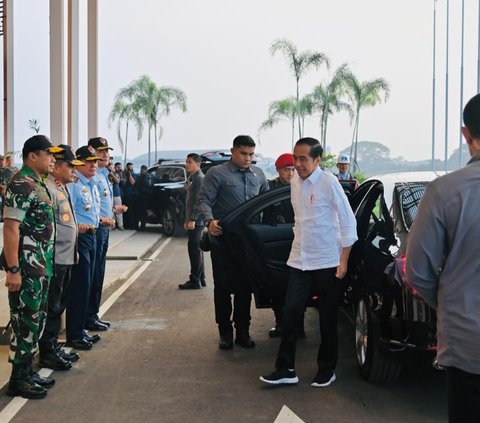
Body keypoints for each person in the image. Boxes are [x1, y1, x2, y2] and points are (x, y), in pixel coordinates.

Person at [406, 93, 480, 423]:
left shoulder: (446, 191)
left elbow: (418, 271)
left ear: (467, 135)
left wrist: (452, 304)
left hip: (469, 345)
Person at [260, 137, 357, 388]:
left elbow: (348, 222)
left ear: (317, 160)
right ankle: (285, 369)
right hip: (300, 259)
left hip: (328, 261)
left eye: (303, 159)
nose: (298, 164)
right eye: (295, 158)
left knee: (327, 319)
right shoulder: (295, 182)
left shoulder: (329, 183)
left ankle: (327, 369)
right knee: (290, 314)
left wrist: (343, 261)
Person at [3, 135, 62, 399]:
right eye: (48, 154)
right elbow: (11, 228)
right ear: (32, 156)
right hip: (26, 269)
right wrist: (13, 270)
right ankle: (18, 378)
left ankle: (27, 371)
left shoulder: (39, 183)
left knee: (34, 322)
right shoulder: (21, 184)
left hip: (41, 266)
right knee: (23, 322)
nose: (52, 159)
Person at [198, 135, 269, 350]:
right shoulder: (216, 173)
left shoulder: (259, 174)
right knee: (222, 288)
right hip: (223, 241)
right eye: (243, 153)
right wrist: (209, 221)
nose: (248, 158)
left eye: (251, 154)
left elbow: (267, 201)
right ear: (233, 151)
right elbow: (204, 200)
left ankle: (243, 332)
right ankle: (225, 333)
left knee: (245, 288)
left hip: (248, 243)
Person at [38, 145, 85, 371]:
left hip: (66, 257)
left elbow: (68, 223)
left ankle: (54, 346)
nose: (74, 171)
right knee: (52, 306)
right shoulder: (48, 188)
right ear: (56, 166)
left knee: (59, 305)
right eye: (70, 166)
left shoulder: (61, 187)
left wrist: (74, 248)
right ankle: (47, 352)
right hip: (54, 258)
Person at [86, 137, 127, 332]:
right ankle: (87, 316)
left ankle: (93, 314)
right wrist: (103, 218)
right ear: (91, 150)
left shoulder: (103, 175)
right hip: (95, 229)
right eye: (101, 151)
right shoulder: (90, 175)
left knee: (99, 273)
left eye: (107, 152)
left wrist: (113, 209)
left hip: (104, 228)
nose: (105, 155)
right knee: (92, 275)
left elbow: (100, 203)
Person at [65, 145, 102, 350]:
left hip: (92, 236)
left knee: (87, 285)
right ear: (78, 163)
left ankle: (81, 330)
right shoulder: (74, 185)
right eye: (89, 162)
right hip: (80, 238)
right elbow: (68, 215)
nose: (93, 165)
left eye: (95, 161)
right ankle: (75, 333)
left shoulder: (89, 184)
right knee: (79, 287)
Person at [264, 153, 296, 338]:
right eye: (287, 170)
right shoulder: (269, 188)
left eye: (293, 169)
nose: (291, 173)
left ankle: (296, 325)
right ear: (278, 170)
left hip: (298, 241)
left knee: (298, 286)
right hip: (275, 239)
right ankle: (280, 322)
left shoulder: (302, 186)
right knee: (277, 285)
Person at [178, 153, 206, 290]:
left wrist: (193, 219)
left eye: (189, 162)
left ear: (198, 164)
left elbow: (200, 201)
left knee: (194, 250)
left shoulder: (200, 178)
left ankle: (195, 280)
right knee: (197, 249)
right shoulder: (193, 178)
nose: (186, 164)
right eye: (186, 161)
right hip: (193, 219)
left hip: (197, 221)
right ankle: (201, 278)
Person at [135, 164, 153, 231]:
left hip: (142, 197)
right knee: (145, 212)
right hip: (150, 196)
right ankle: (143, 226)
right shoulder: (151, 176)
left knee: (141, 212)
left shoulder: (141, 177)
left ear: (142, 169)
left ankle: (141, 227)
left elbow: (138, 186)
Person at [122, 162, 137, 229]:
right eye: (129, 167)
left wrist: (129, 174)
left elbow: (133, 182)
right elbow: (123, 183)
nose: (130, 168)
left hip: (131, 195)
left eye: (131, 167)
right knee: (125, 211)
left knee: (131, 211)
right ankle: (126, 225)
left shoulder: (132, 174)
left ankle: (131, 225)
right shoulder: (124, 173)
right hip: (125, 194)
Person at [112, 162, 125, 230]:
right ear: (115, 167)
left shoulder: (118, 174)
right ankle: (113, 225)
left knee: (119, 210)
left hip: (117, 193)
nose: (119, 169)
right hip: (111, 194)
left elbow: (119, 181)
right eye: (118, 167)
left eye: (120, 167)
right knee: (112, 210)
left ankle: (120, 225)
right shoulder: (111, 173)